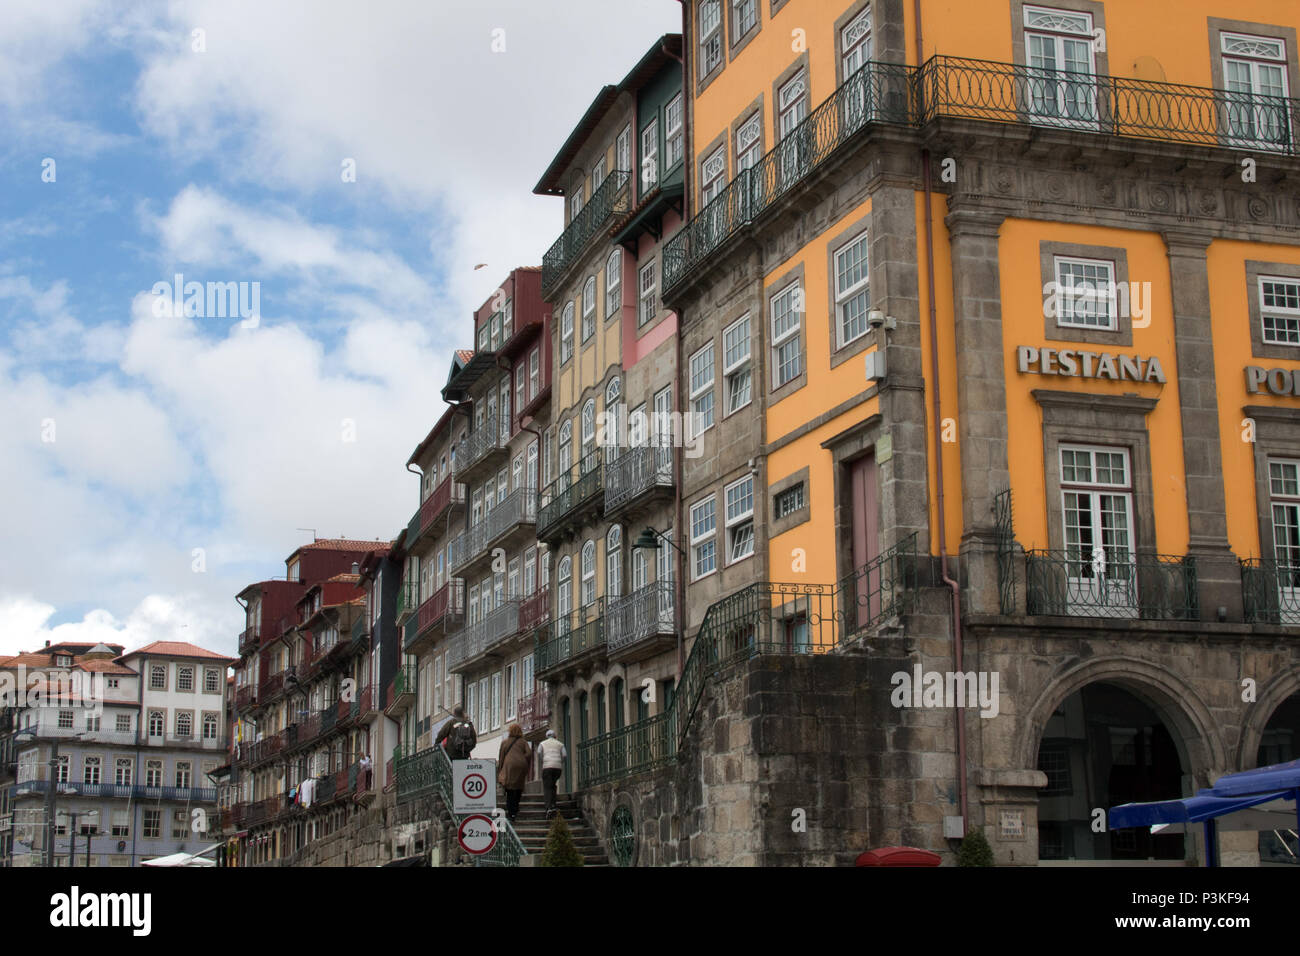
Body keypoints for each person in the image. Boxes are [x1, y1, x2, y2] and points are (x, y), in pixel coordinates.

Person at [496, 723, 532, 822]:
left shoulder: (505, 742)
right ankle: (515, 808)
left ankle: (512, 813)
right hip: (521, 766)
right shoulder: (523, 742)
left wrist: (500, 771)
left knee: (509, 789)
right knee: (519, 787)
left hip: (509, 766)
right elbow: (529, 753)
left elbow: (501, 757)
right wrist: (523, 760)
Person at [536, 729, 566, 817]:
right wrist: (561, 762)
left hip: (547, 767)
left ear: (546, 736)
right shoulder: (560, 744)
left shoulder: (542, 744)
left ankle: (548, 807)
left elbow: (538, 752)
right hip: (557, 768)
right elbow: (564, 755)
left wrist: (543, 760)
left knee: (547, 787)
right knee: (553, 785)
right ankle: (553, 805)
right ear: (555, 736)